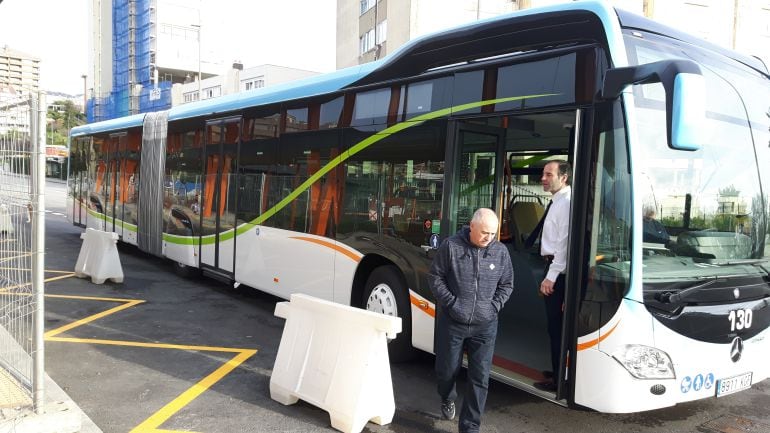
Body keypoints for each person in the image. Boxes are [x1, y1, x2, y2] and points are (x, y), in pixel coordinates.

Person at [428, 208, 513, 433]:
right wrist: (453, 304)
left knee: (480, 378)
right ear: (471, 227)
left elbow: (507, 284)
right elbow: (435, 277)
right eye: (484, 232)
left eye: (493, 234)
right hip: (453, 322)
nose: (489, 238)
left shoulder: (500, 252)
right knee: (446, 371)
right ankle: (447, 397)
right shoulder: (451, 246)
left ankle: (470, 427)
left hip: (485, 327)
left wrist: (493, 308)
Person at [533, 160, 571, 392]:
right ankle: (557, 370)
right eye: (543, 174)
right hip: (554, 268)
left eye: (549, 174)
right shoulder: (558, 201)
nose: (543, 178)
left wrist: (552, 276)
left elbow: (564, 243)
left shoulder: (565, 203)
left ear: (563, 177)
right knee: (553, 327)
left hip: (558, 273)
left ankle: (559, 379)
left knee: (556, 328)